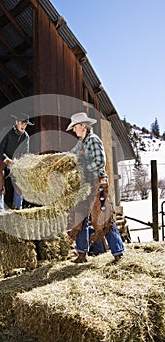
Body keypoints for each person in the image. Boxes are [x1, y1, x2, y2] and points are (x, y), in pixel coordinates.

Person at [66, 112, 125, 262]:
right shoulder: (81, 143)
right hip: (86, 184)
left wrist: (84, 169)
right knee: (81, 217)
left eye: (75, 127)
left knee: (103, 218)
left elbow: (100, 162)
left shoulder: (93, 140)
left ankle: (118, 254)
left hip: (97, 182)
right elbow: (70, 155)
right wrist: (59, 159)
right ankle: (81, 254)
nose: (73, 130)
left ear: (83, 126)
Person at [0, 113, 34, 212]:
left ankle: (17, 209)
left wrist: (20, 164)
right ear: (16, 122)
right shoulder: (6, 131)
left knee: (20, 181)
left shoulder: (25, 136)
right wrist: (7, 160)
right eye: (21, 123)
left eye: (25, 124)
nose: (23, 126)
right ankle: (0, 210)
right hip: (1, 158)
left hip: (15, 161)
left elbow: (25, 154)